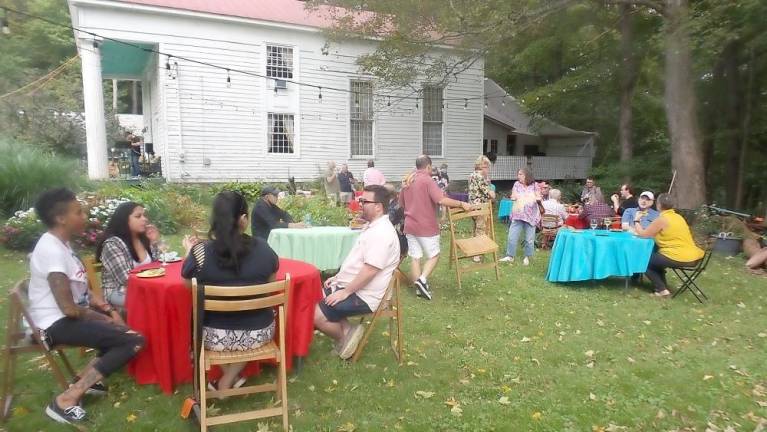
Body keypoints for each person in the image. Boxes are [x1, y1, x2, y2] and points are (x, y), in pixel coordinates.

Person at [29, 188, 144, 425]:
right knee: (133, 339)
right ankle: (66, 399)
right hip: (53, 324)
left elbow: (77, 286)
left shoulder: (62, 245)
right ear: (61, 218)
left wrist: (101, 303)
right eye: (78, 212)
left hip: (63, 317)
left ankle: (88, 380)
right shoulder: (52, 251)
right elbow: (69, 308)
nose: (85, 216)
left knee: (123, 333)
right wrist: (105, 318)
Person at [182, 191, 279, 390]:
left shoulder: (200, 253)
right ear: (243, 219)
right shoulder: (263, 248)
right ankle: (229, 379)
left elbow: (189, 287)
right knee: (262, 317)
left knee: (200, 318)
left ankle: (227, 378)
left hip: (214, 337)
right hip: (259, 334)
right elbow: (270, 285)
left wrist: (188, 253)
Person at [314, 185, 400, 359]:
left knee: (314, 316)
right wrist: (338, 278)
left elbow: (370, 270)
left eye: (364, 201)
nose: (359, 204)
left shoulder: (382, 233)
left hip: (365, 296)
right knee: (313, 294)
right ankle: (349, 330)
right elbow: (359, 262)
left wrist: (345, 292)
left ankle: (344, 338)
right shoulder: (373, 226)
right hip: (357, 288)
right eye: (360, 200)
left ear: (378, 207)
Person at [399, 155, 476, 300]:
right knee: (434, 255)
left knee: (415, 257)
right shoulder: (427, 180)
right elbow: (441, 199)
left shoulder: (408, 180)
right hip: (426, 226)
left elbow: (401, 203)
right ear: (428, 166)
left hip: (410, 225)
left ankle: (418, 290)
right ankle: (422, 280)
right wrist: (461, 204)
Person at [633, 193, 704, 297]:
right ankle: (662, 286)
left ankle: (662, 290)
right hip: (694, 257)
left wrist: (636, 220)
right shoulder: (679, 217)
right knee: (655, 260)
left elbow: (643, 235)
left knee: (643, 259)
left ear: (658, 205)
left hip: (678, 256)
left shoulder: (662, 219)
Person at [96, 202, 160, 308]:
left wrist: (154, 242)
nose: (145, 219)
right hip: (118, 292)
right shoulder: (112, 244)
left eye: (144, 215)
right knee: (155, 301)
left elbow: (159, 267)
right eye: (138, 216)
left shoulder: (143, 239)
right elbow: (126, 280)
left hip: (145, 288)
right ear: (124, 220)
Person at [500, 167, 541, 265]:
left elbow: (538, 197)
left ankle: (527, 256)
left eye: (521, 174)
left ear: (527, 175)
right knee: (512, 236)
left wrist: (533, 198)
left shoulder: (535, 185)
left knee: (529, 239)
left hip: (531, 216)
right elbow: (513, 195)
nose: (518, 176)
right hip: (518, 214)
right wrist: (515, 197)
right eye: (518, 174)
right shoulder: (516, 184)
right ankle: (510, 256)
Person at [468, 155, 496, 238]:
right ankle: (479, 248)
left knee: (476, 228)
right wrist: (490, 186)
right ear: (483, 166)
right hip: (480, 207)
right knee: (481, 230)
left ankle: (474, 248)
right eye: (487, 168)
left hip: (472, 206)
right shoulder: (480, 177)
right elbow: (491, 195)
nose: (488, 170)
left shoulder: (472, 175)